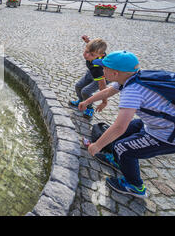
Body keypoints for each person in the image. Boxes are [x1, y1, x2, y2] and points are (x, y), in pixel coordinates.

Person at [79, 51, 175, 198]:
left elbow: (119, 127)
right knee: (124, 135)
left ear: (115, 73)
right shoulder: (133, 77)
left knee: (121, 146)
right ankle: (119, 161)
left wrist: (97, 146)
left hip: (167, 135)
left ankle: (135, 186)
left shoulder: (132, 91)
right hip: (157, 123)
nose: (102, 71)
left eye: (105, 68)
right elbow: (108, 91)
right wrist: (87, 101)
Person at [69, 35, 108, 118]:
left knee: (86, 91)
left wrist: (104, 101)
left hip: (103, 77)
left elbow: (102, 85)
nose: (87, 55)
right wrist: (88, 41)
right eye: (86, 51)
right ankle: (81, 100)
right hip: (91, 72)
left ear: (99, 55)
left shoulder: (97, 67)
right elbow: (92, 47)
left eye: (92, 55)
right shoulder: (97, 52)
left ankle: (89, 108)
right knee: (78, 86)